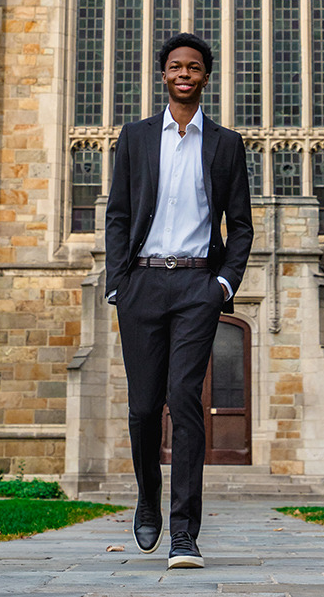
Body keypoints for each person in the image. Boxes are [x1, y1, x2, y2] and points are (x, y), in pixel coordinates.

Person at [105, 33, 253, 569]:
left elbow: (241, 225)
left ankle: (185, 534)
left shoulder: (226, 144)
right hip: (141, 284)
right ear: (163, 75)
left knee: (185, 402)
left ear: (205, 77)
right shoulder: (137, 137)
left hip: (197, 286)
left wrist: (224, 285)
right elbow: (118, 213)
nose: (184, 73)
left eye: (194, 66)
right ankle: (148, 496)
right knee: (144, 408)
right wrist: (117, 283)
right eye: (175, 66)